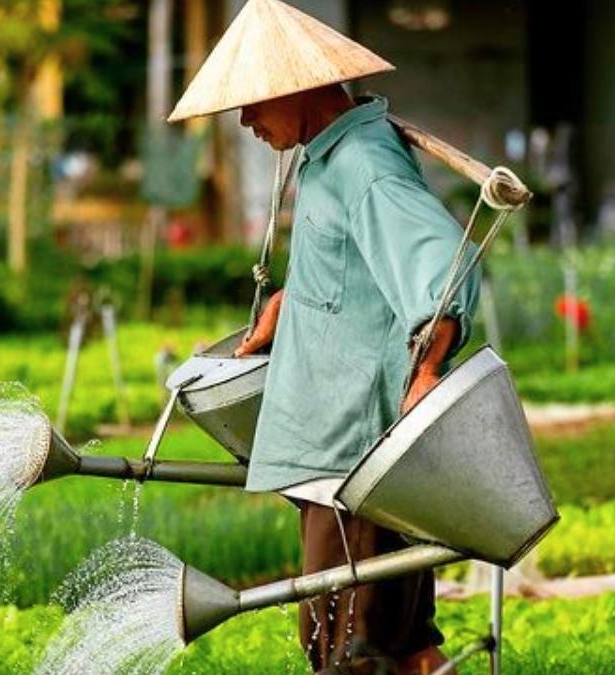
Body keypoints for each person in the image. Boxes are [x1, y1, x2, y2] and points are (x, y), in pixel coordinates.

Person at [167, 2, 480, 673]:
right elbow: (359, 263)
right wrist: (292, 299)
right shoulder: (328, 161)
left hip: (353, 459)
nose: (247, 122)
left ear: (297, 88)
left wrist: (426, 376)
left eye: (253, 105)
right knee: (402, 642)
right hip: (341, 455)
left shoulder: (363, 163)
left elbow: (438, 269)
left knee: (347, 645)